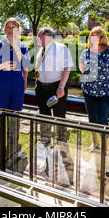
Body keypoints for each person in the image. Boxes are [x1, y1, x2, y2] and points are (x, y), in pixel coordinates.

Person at [34, 26, 74, 183]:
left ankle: (62, 142)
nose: (38, 39)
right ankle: (45, 141)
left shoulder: (61, 48)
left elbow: (67, 68)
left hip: (56, 87)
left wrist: (61, 86)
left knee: (59, 116)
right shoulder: (41, 49)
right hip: (41, 87)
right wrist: (36, 80)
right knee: (43, 114)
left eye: (40, 37)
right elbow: (39, 66)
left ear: (48, 35)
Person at [0, 18, 30, 157]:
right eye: (8, 27)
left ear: (18, 30)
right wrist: (2, 66)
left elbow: (26, 65)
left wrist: (24, 84)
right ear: (5, 29)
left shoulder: (23, 47)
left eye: (14, 27)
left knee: (14, 120)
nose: (11, 30)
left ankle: (13, 150)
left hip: (16, 90)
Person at [79, 26, 109, 152]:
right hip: (89, 91)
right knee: (92, 118)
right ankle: (95, 143)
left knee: (103, 119)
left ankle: (105, 145)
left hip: (105, 91)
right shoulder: (86, 52)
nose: (93, 37)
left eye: (96, 35)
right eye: (92, 35)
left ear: (102, 37)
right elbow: (81, 69)